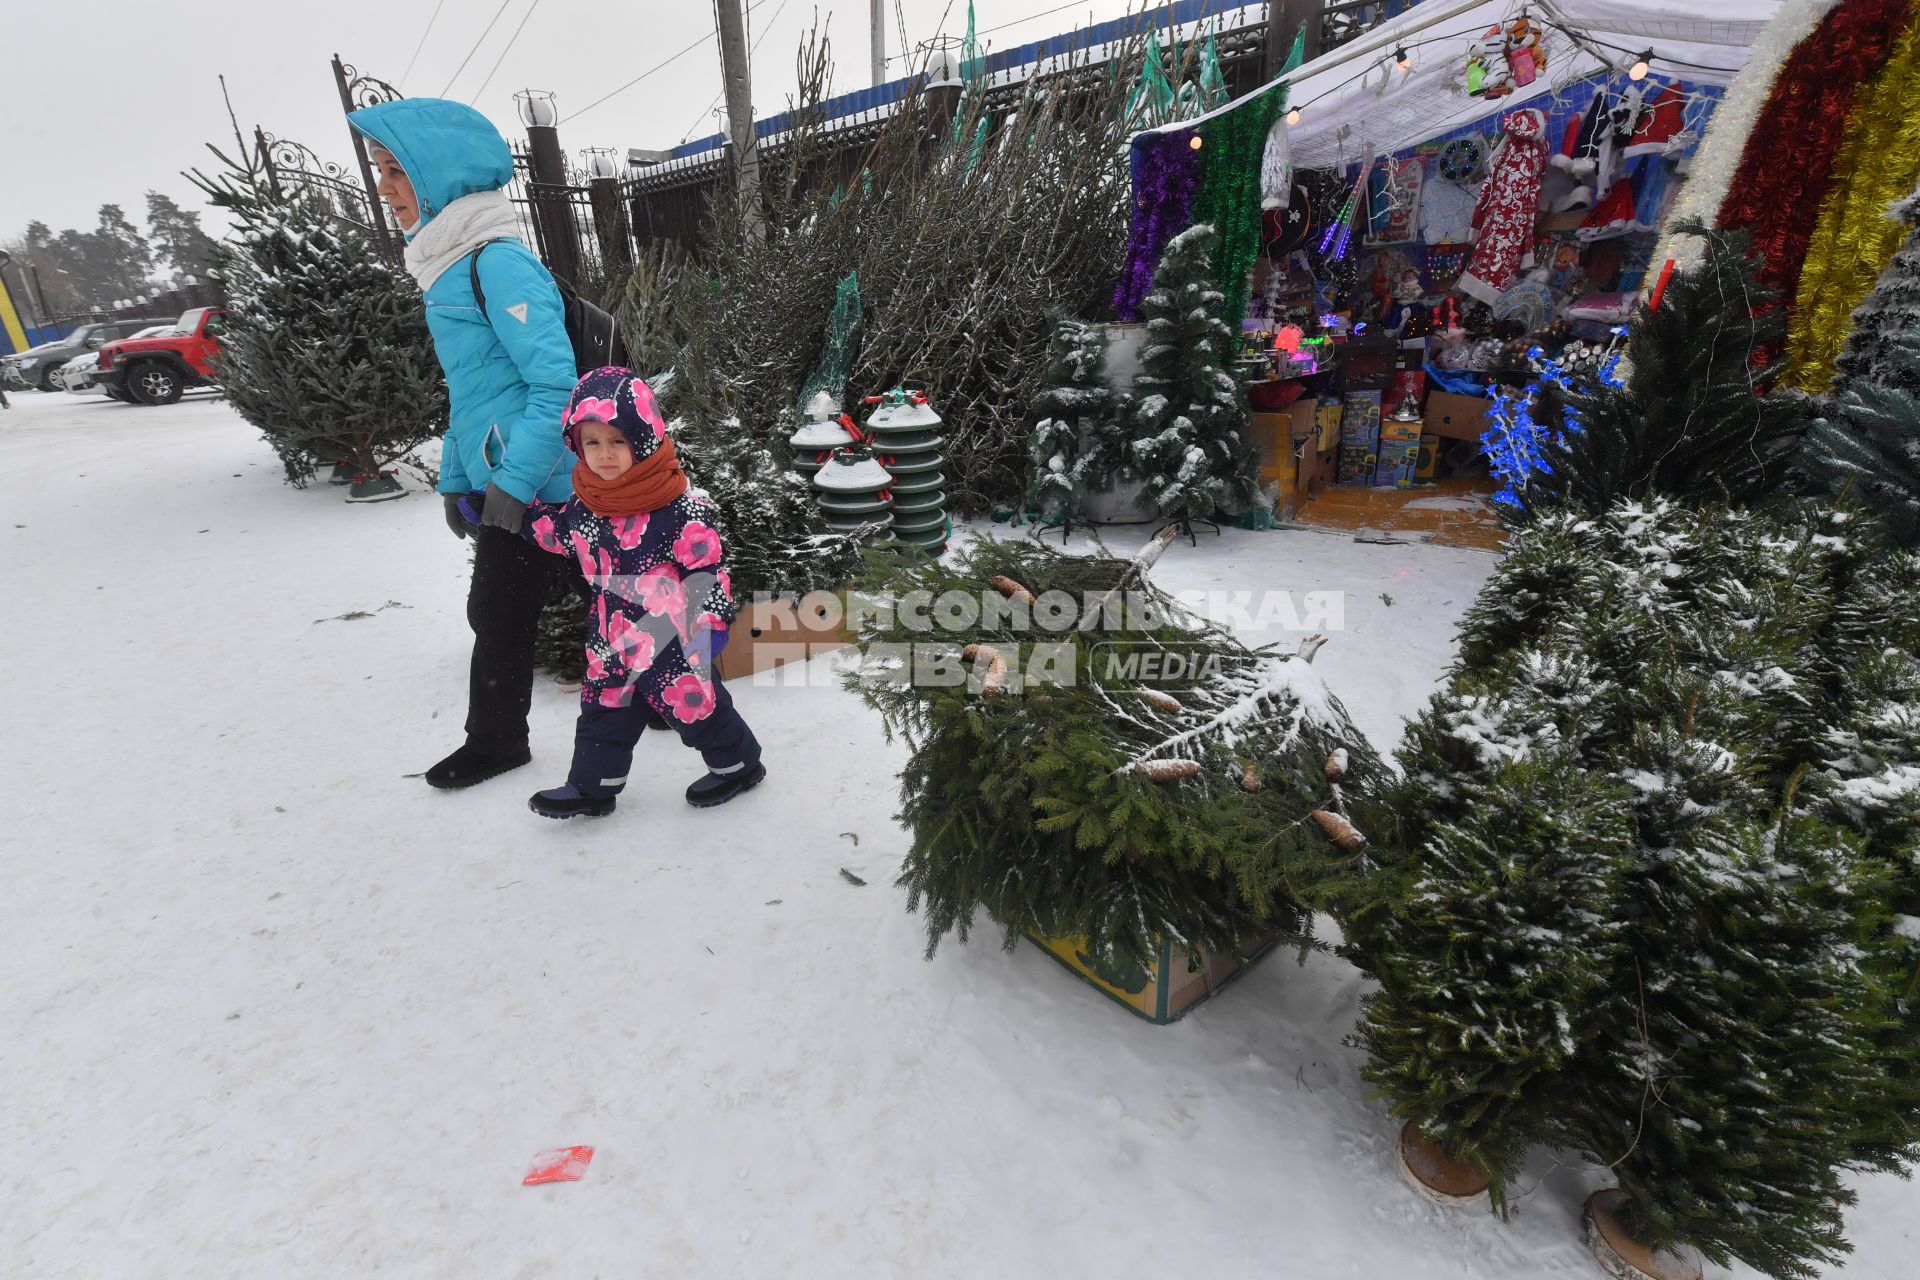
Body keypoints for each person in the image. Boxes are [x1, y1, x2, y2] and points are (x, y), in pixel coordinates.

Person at [348, 98, 577, 791]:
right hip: (513, 476)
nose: (384, 188)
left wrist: (511, 482)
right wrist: (456, 478)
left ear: (438, 174)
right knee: (558, 601)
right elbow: (472, 395)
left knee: (540, 604)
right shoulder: (447, 266)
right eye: (379, 171)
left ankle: (498, 740)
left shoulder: (496, 264)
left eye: (395, 171)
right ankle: (508, 736)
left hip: (552, 480)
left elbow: (556, 386)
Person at [468, 366, 765, 819]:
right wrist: (508, 515)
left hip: (673, 642)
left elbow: (707, 569)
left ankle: (738, 765)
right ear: (576, 446)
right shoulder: (586, 506)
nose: (604, 455)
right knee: (602, 711)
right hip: (611, 639)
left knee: (697, 709)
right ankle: (592, 787)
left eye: (617, 441)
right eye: (592, 443)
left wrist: (710, 624)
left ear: (643, 439)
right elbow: (558, 533)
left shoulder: (679, 511)